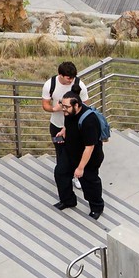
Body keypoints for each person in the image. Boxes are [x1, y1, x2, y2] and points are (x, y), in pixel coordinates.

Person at [42, 62, 86, 209]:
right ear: (60, 75)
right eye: (68, 77)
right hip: (56, 126)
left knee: (77, 152)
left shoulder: (80, 85)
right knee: (60, 153)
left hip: (75, 128)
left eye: (73, 77)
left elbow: (86, 106)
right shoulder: (50, 84)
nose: (71, 80)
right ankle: (65, 177)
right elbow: (45, 104)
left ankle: (77, 175)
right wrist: (56, 109)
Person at [62, 92, 107, 219]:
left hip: (89, 160)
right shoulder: (69, 113)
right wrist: (64, 130)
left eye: (66, 106)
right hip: (71, 153)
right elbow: (69, 126)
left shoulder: (89, 121)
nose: (63, 108)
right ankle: (67, 200)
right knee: (61, 173)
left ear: (76, 105)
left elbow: (90, 147)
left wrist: (80, 168)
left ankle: (97, 207)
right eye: (62, 105)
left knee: (90, 183)